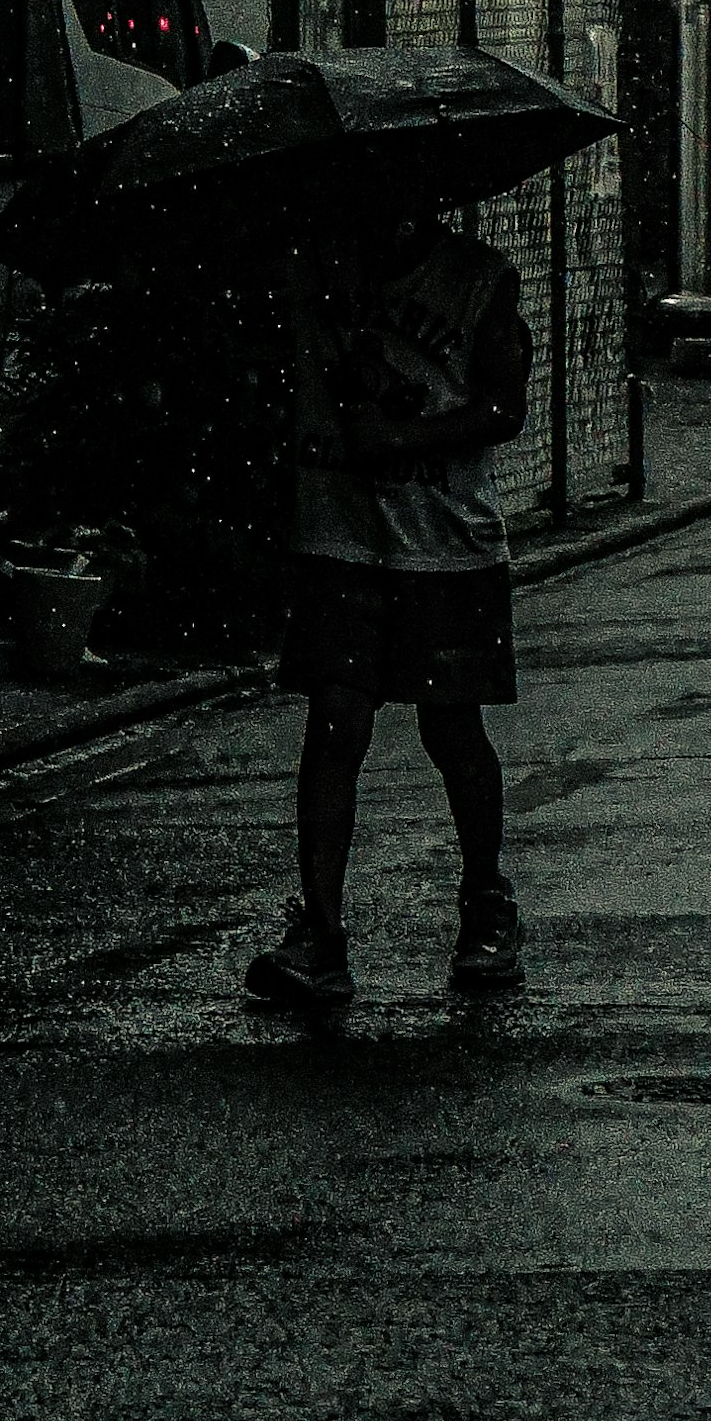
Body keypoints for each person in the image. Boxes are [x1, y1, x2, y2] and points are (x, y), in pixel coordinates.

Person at [247, 171, 534, 1021]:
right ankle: (322, 934)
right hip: (341, 535)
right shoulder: (310, 272)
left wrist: (404, 437)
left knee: (452, 727)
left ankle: (485, 901)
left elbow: (504, 406)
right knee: (336, 720)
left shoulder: (480, 280)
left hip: (445, 543)